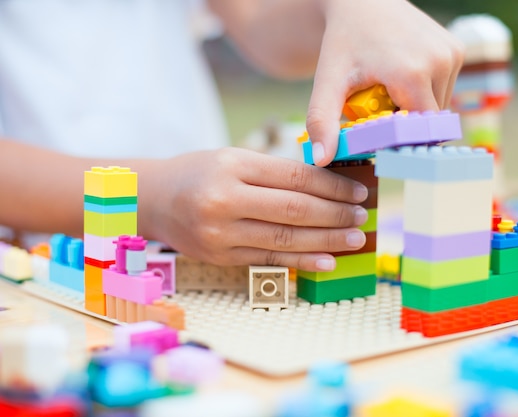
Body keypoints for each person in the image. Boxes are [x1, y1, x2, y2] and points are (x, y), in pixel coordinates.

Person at [0, 0, 463, 272]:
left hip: (204, 237)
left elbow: (266, 23)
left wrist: (347, 7)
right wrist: (151, 200)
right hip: (34, 268)